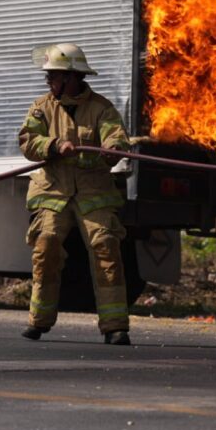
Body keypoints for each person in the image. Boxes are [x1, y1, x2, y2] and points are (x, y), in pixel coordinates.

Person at [17, 43, 132, 345]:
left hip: (93, 190)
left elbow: (116, 137)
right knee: (47, 245)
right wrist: (53, 145)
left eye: (53, 76)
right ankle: (38, 321)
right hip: (53, 190)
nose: (49, 82)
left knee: (106, 247)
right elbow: (28, 142)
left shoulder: (101, 108)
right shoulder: (41, 107)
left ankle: (115, 326)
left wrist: (113, 150)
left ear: (71, 77)